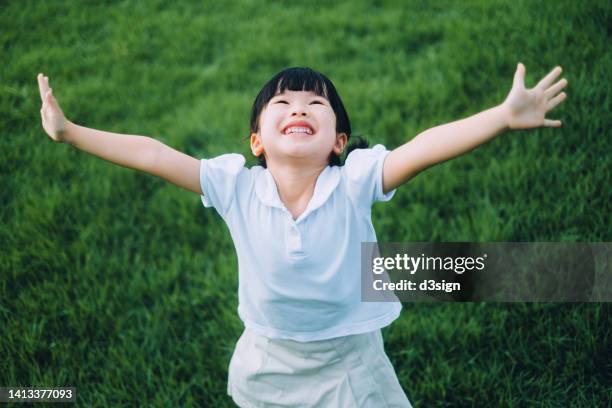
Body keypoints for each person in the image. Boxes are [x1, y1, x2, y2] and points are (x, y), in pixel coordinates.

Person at [37, 64, 567, 407]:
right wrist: (70, 132)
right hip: (269, 364)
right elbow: (153, 154)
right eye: (283, 104)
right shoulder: (234, 188)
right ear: (257, 141)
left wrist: (501, 116)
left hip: (350, 366)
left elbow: (423, 149)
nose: (298, 109)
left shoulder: (356, 181)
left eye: (316, 104)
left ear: (339, 140)